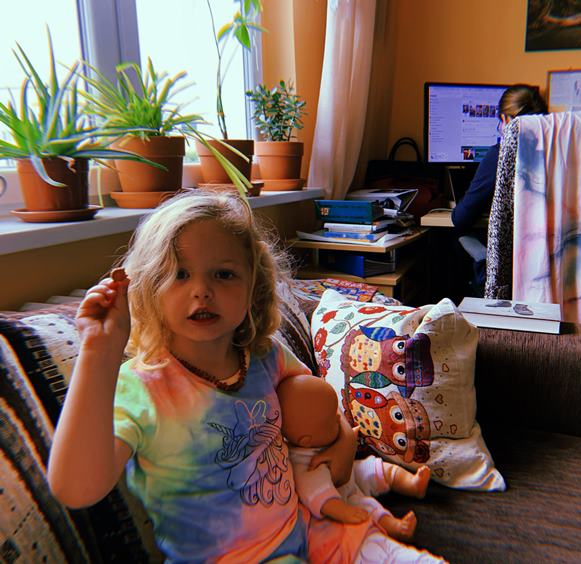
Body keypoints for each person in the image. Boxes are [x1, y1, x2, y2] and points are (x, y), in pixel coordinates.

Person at [46, 191, 360, 562]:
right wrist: (98, 353)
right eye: (178, 274)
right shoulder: (140, 387)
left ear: (253, 285)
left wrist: (345, 439)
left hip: (307, 536)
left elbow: (320, 404)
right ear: (149, 288)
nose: (202, 291)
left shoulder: (266, 356)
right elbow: (76, 490)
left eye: (224, 274)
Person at [278, 374, 431, 543]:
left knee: (376, 467)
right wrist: (344, 511)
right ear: (306, 441)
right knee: (367, 508)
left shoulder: (317, 435)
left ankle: (412, 484)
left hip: (353, 469)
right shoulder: (307, 467)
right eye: (331, 420)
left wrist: (348, 438)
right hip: (344, 494)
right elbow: (317, 495)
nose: (339, 418)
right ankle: (396, 527)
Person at [450, 84, 548, 297]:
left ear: (505, 120)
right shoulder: (555, 152)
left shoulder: (500, 155)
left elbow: (461, 218)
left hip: (504, 271)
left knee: (457, 235)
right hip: (544, 263)